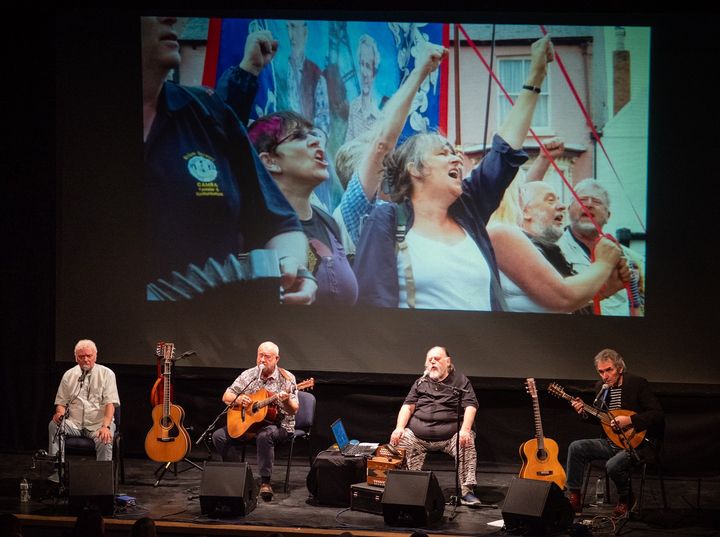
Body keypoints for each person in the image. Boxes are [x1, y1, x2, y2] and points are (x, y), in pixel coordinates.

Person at [353, 36, 554, 310]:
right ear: (415, 170)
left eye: (454, 152)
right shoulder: (387, 220)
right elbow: (373, 303)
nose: (456, 158)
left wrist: (536, 75)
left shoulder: (468, 212)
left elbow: (504, 152)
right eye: (442, 153)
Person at [141, 17, 315, 304]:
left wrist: (293, 268)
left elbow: (281, 225)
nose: (171, 17)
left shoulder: (210, 114)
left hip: (210, 340)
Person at [333, 40, 447, 257]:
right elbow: (383, 144)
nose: (395, 168)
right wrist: (420, 71)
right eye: (386, 165)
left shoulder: (391, 210)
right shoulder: (354, 209)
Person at [248, 112, 358, 305]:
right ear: (269, 161)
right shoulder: (255, 227)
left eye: (314, 134)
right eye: (298, 136)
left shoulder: (328, 222)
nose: (316, 141)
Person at [488, 178, 628, 313]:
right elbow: (563, 299)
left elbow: (554, 306)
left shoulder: (541, 248)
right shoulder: (507, 237)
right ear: (525, 211)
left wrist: (607, 288)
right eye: (550, 200)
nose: (563, 207)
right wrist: (604, 263)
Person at [565, 349, 664, 517]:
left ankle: (626, 498)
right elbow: (603, 420)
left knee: (612, 465)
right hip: (611, 443)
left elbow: (657, 414)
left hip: (637, 445)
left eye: (609, 370)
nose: (605, 375)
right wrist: (583, 412)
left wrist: (630, 420)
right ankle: (574, 498)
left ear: (619, 368)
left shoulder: (637, 384)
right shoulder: (601, 388)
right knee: (576, 447)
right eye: (601, 372)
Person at [389, 346, 481, 505]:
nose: (432, 361)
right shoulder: (421, 382)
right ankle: (407, 487)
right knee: (399, 441)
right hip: (418, 436)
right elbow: (408, 406)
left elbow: (470, 406)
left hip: (451, 436)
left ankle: (467, 492)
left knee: (467, 442)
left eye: (436, 358)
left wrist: (465, 430)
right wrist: (399, 428)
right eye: (429, 359)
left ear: (448, 362)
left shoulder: (460, 381)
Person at [212, 342, 298, 502]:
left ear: (276, 359)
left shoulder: (287, 378)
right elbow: (226, 396)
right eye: (260, 355)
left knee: (264, 435)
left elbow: (293, 410)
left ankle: (265, 482)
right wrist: (238, 399)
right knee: (218, 436)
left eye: (267, 356)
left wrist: (285, 401)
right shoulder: (249, 375)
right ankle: (240, 477)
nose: (263, 360)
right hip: (251, 425)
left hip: (280, 425)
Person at [557, 178, 645, 316]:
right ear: (569, 210)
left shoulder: (631, 257)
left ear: (608, 216)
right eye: (582, 200)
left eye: (597, 201)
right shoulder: (550, 251)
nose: (589, 205)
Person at [48, 340, 120, 482]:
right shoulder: (69, 375)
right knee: (54, 425)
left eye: (89, 355)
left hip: (98, 424)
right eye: (81, 356)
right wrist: (60, 414)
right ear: (76, 358)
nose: (85, 359)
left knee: (105, 438)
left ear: (95, 356)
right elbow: (61, 403)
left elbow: (110, 404)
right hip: (74, 424)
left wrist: (105, 426)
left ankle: (102, 478)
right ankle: (58, 470)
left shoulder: (107, 374)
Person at [345, 34, 383, 143]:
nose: (364, 72)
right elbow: (347, 145)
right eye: (362, 64)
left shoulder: (383, 110)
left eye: (368, 66)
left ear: (374, 72)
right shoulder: (354, 106)